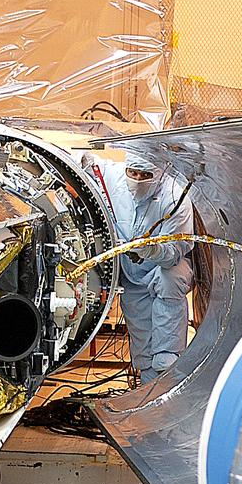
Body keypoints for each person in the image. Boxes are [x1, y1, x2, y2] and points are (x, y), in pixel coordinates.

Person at [86, 152, 194, 383]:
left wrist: (148, 250)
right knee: (142, 336)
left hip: (162, 268)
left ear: (160, 173)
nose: (136, 179)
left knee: (170, 279)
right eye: (132, 173)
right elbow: (88, 164)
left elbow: (174, 251)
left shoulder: (175, 197)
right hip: (129, 274)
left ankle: (169, 359)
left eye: (145, 175)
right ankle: (147, 387)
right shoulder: (111, 176)